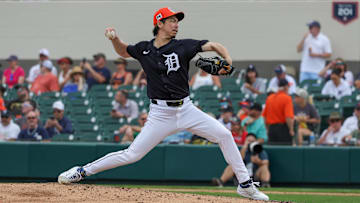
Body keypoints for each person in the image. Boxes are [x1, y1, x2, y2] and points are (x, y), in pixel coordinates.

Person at [58, 7, 268, 201]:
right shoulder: (144, 49)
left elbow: (213, 45)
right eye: (172, 21)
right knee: (132, 154)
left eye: (177, 21)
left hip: (186, 109)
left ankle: (245, 184)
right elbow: (123, 51)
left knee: (224, 135)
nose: (176, 24)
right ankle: (82, 171)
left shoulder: (183, 45)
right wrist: (115, 39)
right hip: (160, 114)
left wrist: (228, 59)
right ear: (159, 23)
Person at [263, 79, 294, 145]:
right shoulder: (287, 98)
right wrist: (291, 129)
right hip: (283, 130)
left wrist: (267, 129)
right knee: (285, 152)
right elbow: (288, 117)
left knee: (273, 152)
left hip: (271, 129)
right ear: (286, 87)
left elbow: (264, 116)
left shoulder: (270, 98)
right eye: (288, 87)